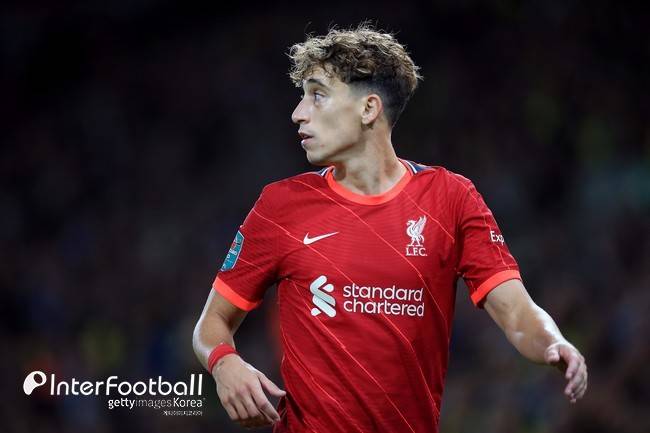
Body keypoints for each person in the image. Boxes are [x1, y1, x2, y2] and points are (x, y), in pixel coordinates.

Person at [192, 24, 588, 433]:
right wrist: (225, 363)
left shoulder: (450, 199)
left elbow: (517, 312)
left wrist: (553, 342)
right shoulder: (282, 206)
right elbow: (211, 323)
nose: (298, 113)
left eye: (317, 95)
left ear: (369, 109)